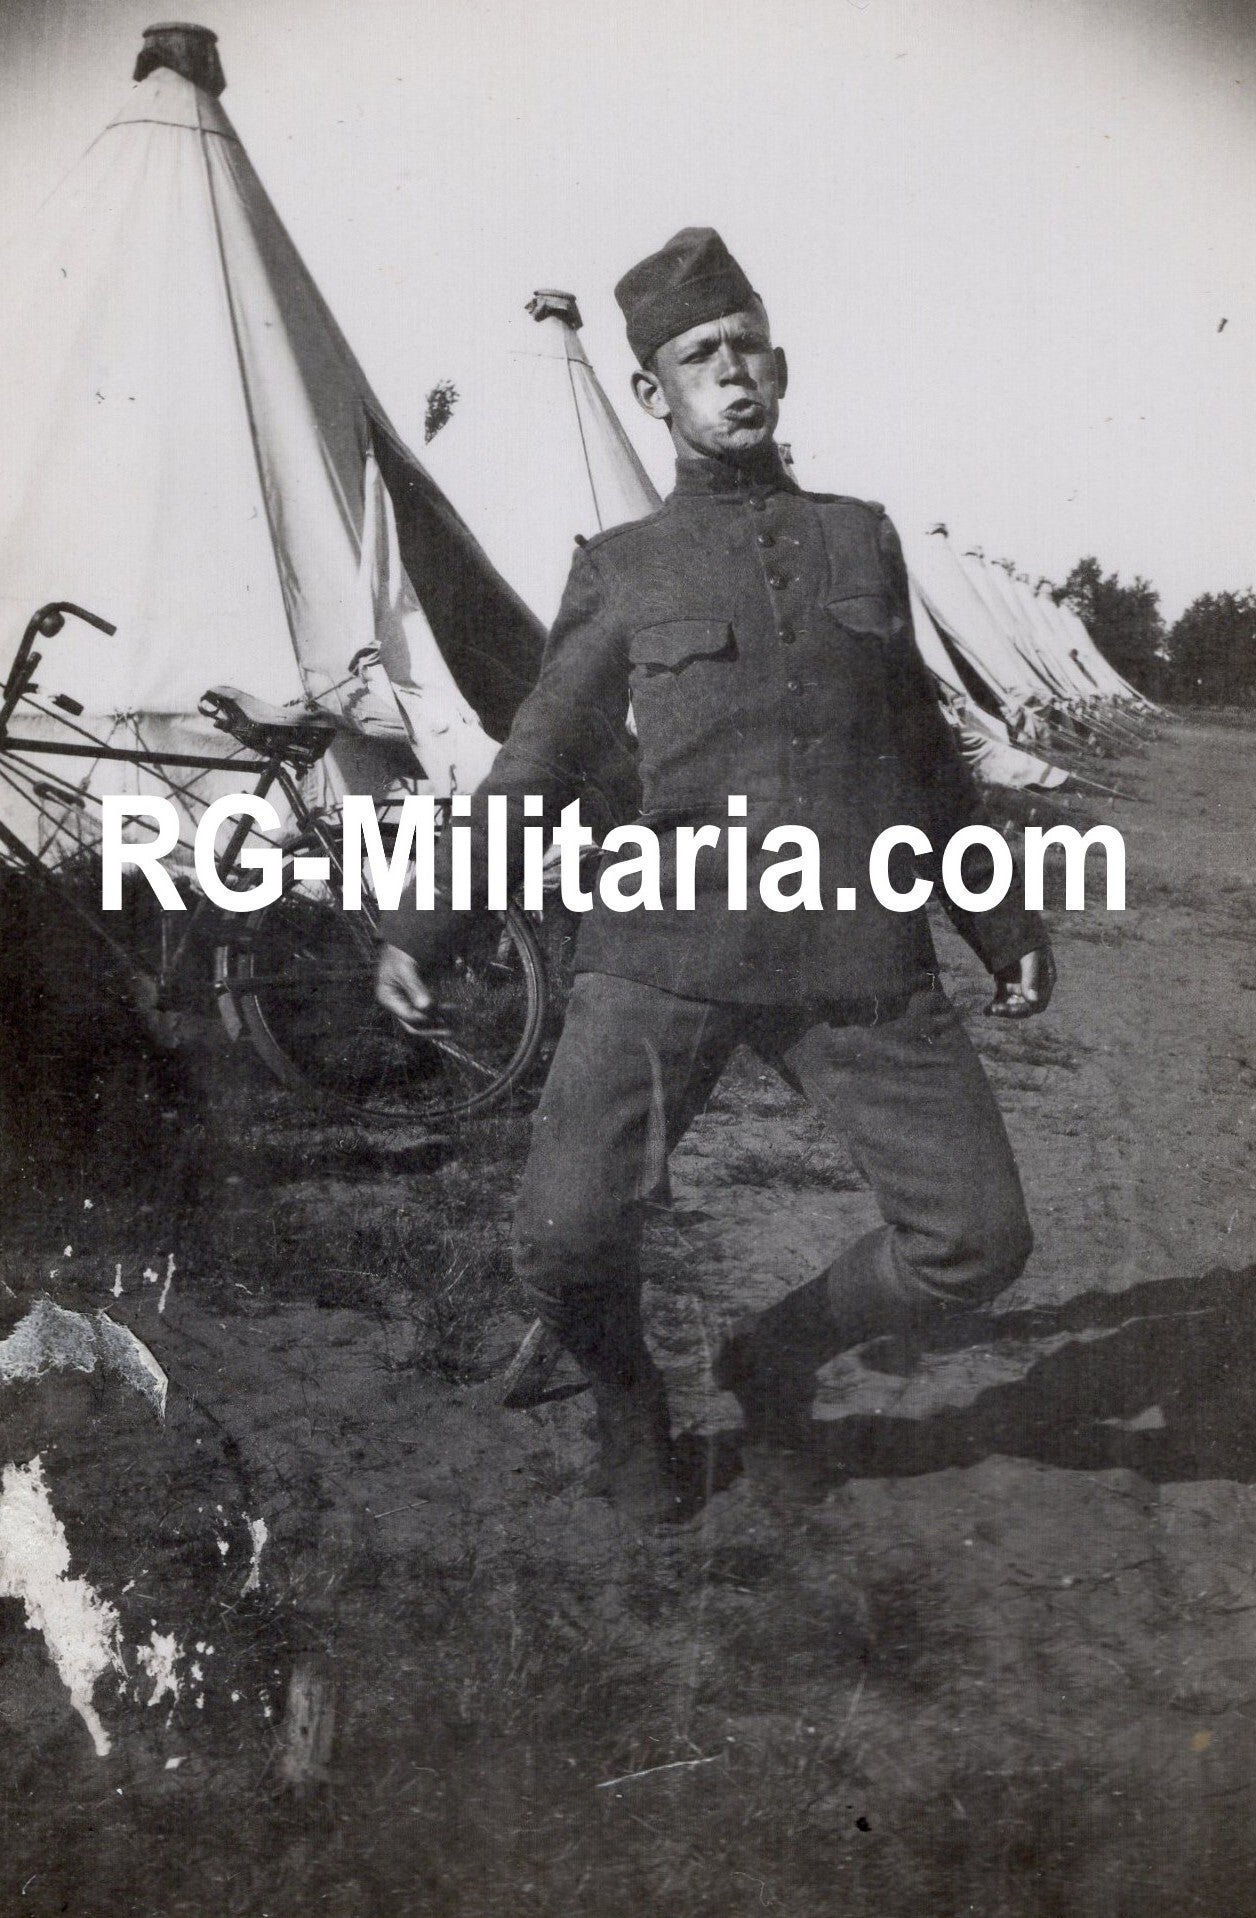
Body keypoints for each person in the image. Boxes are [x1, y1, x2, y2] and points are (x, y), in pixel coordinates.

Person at [376, 228, 1055, 1524]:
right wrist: (433, 923)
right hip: (667, 945)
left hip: (853, 950)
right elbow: (536, 757)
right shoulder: (625, 567)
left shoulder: (865, 542)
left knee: (978, 1236)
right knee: (564, 1234)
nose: (730, 374)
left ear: (782, 369)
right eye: (699, 357)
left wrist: (1003, 919)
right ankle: (631, 1398)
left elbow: (921, 750)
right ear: (655, 394)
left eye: (747, 348)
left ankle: (774, 1358)